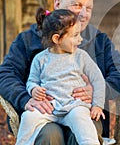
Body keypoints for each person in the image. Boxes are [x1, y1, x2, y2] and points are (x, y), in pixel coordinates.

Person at [0, 0, 120, 144]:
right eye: (77, 5)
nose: (84, 14)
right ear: (57, 3)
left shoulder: (99, 40)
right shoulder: (28, 39)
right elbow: (6, 75)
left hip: (83, 112)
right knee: (50, 135)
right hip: (45, 113)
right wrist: (25, 98)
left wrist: (98, 91)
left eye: (88, 8)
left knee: (80, 134)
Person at [16, 8, 105, 145]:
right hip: (50, 108)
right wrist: (33, 89)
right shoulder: (40, 59)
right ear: (57, 38)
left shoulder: (81, 57)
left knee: (84, 123)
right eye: (75, 35)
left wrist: (97, 105)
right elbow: (32, 80)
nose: (80, 39)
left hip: (74, 106)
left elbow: (97, 79)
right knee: (28, 117)